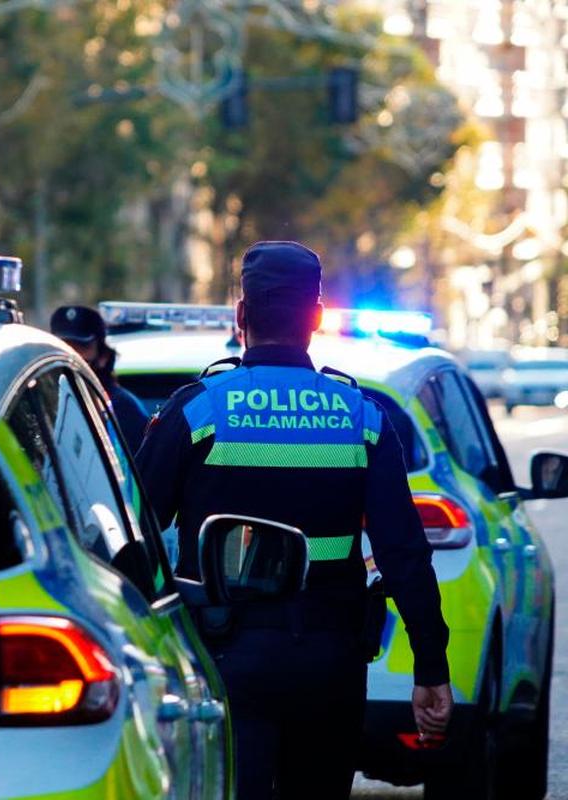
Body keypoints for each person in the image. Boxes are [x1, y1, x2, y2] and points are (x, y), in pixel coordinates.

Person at [135, 241, 453, 800]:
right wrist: (430, 665)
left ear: (241, 316)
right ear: (316, 318)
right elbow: (404, 555)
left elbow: (135, 535)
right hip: (330, 661)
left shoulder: (198, 408)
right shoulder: (361, 417)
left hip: (225, 658)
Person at [50, 304, 150, 450]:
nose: (70, 354)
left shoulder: (123, 410)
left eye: (80, 347)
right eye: (63, 346)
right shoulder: (41, 400)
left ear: (103, 356)